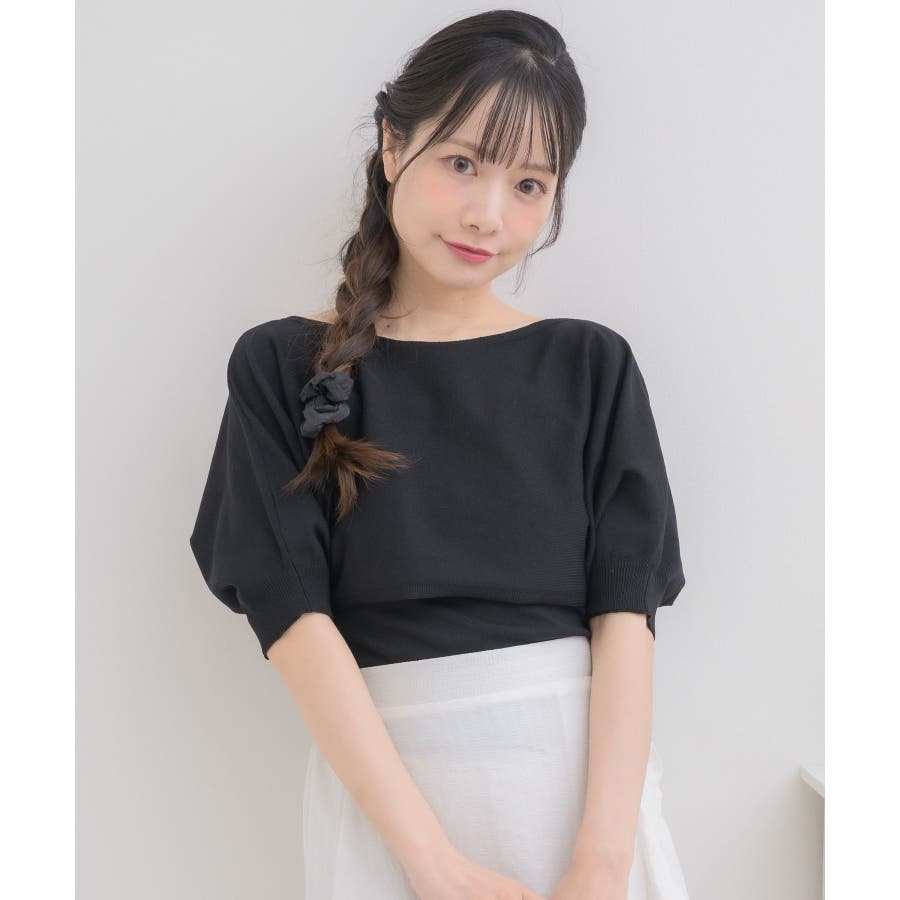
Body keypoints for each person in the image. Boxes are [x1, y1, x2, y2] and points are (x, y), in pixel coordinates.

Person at [189, 10, 691, 900]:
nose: (488, 215)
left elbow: (627, 619)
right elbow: (292, 619)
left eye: (530, 184)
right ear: (393, 146)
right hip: (391, 815)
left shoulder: (591, 366)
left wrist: (602, 863)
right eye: (462, 163)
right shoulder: (279, 365)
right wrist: (432, 863)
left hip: (583, 810)